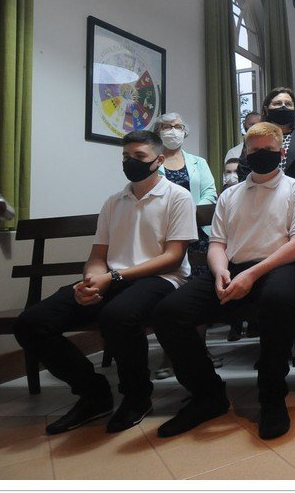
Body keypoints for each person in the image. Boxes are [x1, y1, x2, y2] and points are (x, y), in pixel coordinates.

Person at [14, 131, 197, 435]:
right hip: (114, 278)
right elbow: (98, 256)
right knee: (32, 323)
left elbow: (173, 257)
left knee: (118, 315)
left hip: (161, 279)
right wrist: (92, 280)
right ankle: (93, 394)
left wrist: (112, 278)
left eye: (139, 156)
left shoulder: (177, 197)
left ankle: (137, 396)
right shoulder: (114, 202)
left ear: (159, 160)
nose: (130, 162)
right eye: (126, 157)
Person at [151, 122, 295, 440]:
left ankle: (272, 396)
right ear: (245, 154)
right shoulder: (230, 195)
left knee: (277, 300)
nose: (261, 155)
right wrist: (220, 272)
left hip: (284, 266)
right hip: (233, 268)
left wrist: (251, 274)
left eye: (269, 150)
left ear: (281, 154)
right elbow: (217, 244)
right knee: (169, 312)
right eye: (254, 151)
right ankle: (207, 395)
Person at [151, 112, 219, 379]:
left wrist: (187, 213)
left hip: (198, 233)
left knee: (196, 292)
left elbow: (210, 193)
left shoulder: (198, 162)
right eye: (167, 126)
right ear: (158, 131)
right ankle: (170, 354)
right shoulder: (152, 162)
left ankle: (200, 350)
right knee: (170, 291)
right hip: (165, 235)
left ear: (185, 131)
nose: (173, 131)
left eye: (178, 126)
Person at [239, 87, 295, 192]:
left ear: (294, 109)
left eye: (288, 104)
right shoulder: (254, 136)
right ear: (266, 109)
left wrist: (293, 192)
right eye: (277, 103)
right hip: (256, 194)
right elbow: (244, 169)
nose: (283, 106)